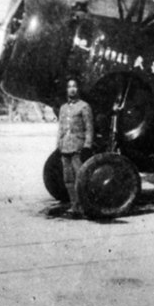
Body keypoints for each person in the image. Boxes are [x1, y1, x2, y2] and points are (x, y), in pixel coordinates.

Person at [57, 78, 94, 216]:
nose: (72, 89)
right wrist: (58, 145)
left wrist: (87, 145)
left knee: (81, 178)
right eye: (69, 87)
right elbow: (60, 128)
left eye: (75, 86)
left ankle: (85, 206)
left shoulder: (84, 106)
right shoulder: (63, 108)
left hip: (77, 147)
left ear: (78, 89)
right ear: (66, 90)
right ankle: (75, 206)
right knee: (68, 179)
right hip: (65, 147)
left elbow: (89, 128)